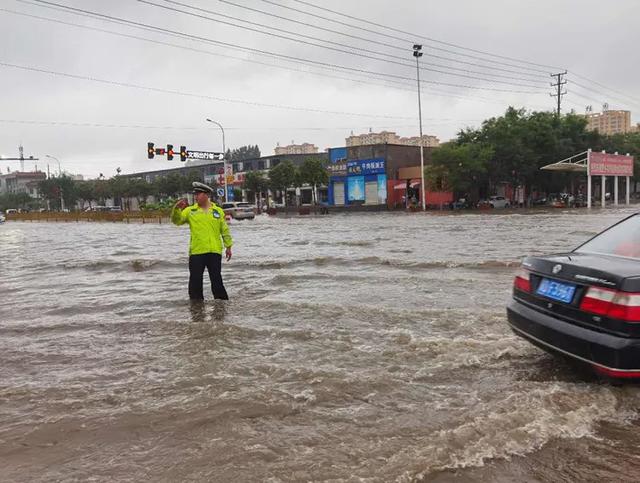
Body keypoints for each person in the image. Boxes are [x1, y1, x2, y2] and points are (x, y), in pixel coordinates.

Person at [172, 182, 233, 300]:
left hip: (214, 251)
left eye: (198, 194)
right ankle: (196, 308)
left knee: (217, 280)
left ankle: (222, 307)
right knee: (195, 282)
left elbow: (224, 230)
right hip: (197, 252)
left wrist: (228, 246)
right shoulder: (190, 211)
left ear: (206, 195)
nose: (196, 197)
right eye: (195, 194)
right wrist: (177, 209)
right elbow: (177, 221)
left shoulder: (217, 211)